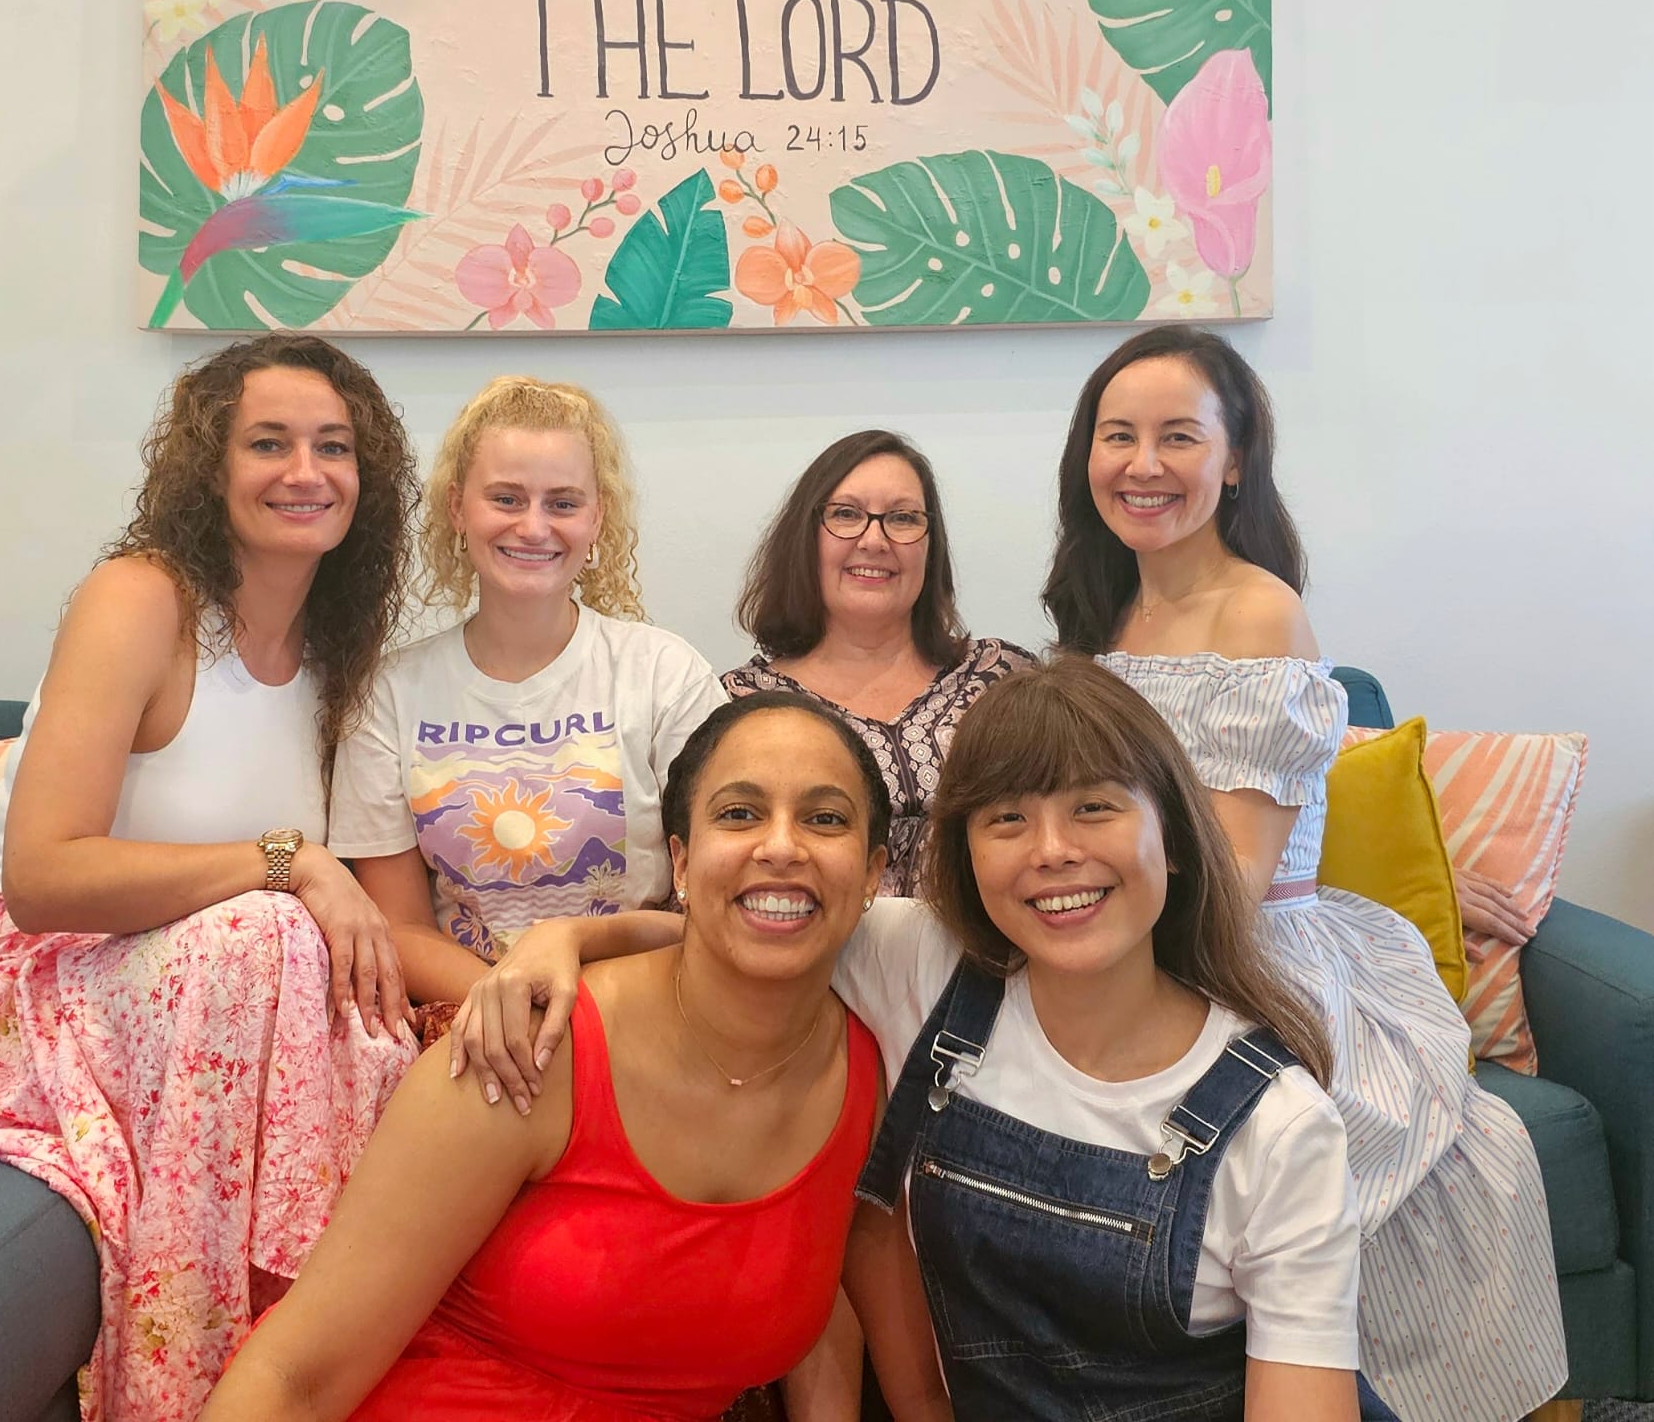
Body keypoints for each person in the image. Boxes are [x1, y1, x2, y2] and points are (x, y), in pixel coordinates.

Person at [452, 660, 1389, 1421]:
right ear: (963, 856)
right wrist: (564, 939)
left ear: (1174, 839)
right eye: (1007, 818)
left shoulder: (1280, 1127)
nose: (1052, 850)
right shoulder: (925, 963)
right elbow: (755, 923)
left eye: (1095, 807)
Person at [0, 335, 420, 1422]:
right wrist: (289, 862)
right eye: (269, 442)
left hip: (194, 1011)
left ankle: (319, 1354)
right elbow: (41, 877)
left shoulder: (339, 652)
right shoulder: (140, 598)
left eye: (335, 446)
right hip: (5, 996)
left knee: (366, 1006)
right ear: (210, 464)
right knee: (263, 932)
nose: (306, 470)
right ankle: (182, 1384)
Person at [1042, 323, 1565, 1421]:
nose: (1142, 463)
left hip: (1239, 955)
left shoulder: (1259, 608)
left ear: (1235, 459)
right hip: (1126, 938)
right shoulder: (1100, 617)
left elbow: (1235, 876)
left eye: (1178, 436)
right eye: (1117, 435)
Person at [200, 693, 925, 1422]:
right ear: (681, 860)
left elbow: (892, 1373)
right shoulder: (530, 1046)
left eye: (825, 819)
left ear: (873, 874)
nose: (782, 847)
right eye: (739, 814)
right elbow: (294, 1378)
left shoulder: (870, 1081)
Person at [328, 375, 726, 1037]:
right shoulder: (388, 694)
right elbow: (399, 926)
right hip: (472, 1024)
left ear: (598, 517)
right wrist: (513, 1002)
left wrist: (578, 987)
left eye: (562, 502)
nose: (534, 526)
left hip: (643, 1008)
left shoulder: (665, 675)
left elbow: (716, 898)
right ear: (458, 508)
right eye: (506, 498)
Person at [722, 428, 1035, 896]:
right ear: (805, 538)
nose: (874, 539)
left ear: (931, 545)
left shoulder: (1003, 678)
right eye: (846, 515)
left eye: (903, 518)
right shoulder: (738, 705)